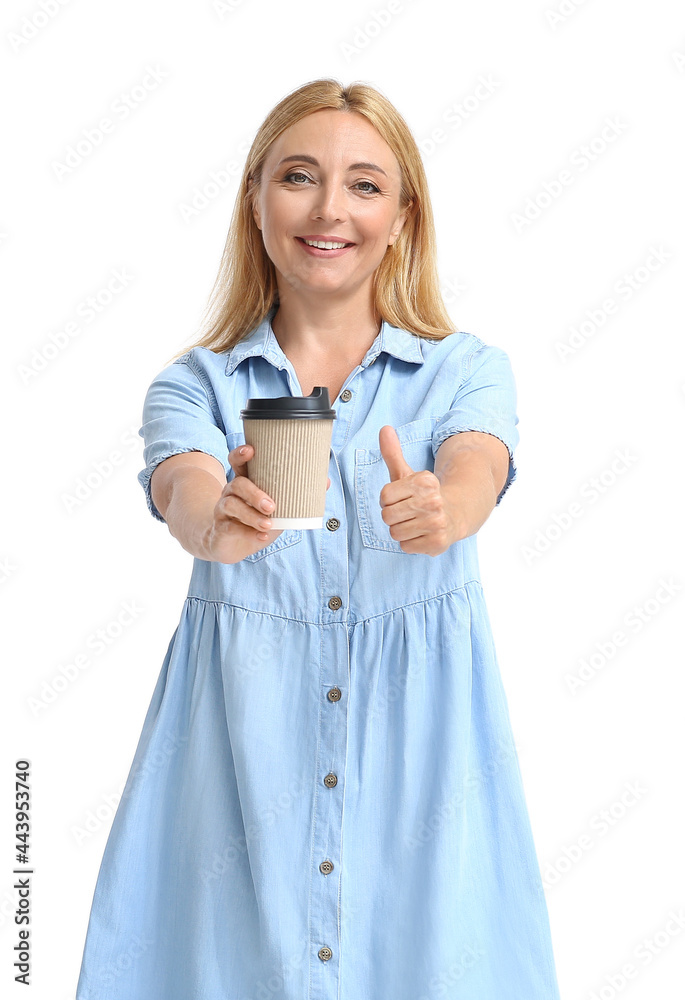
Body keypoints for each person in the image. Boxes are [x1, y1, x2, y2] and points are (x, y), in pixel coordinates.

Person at [75, 78, 561, 1000]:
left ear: (404, 216)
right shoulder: (198, 385)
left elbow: (479, 462)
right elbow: (182, 480)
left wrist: (448, 508)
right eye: (299, 176)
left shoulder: (465, 371)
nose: (330, 208)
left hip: (424, 784)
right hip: (233, 789)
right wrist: (210, 519)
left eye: (365, 184)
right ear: (255, 200)